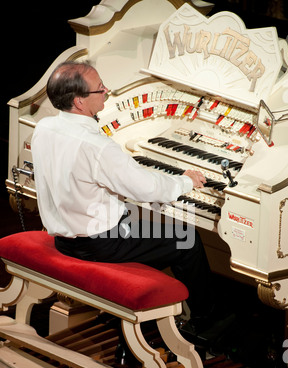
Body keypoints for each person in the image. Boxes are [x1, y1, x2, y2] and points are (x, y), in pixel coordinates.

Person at [31, 61, 216, 348]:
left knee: (143, 224)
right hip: (102, 243)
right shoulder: (97, 146)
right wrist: (185, 181)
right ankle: (205, 324)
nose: (107, 90)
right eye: (100, 88)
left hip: (63, 239)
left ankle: (151, 317)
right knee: (187, 240)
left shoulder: (44, 127)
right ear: (79, 101)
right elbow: (145, 187)